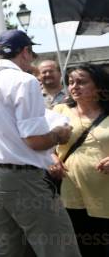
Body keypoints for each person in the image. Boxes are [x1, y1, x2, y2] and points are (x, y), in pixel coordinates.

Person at [0, 30, 80, 257]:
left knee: (5, 249)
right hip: (21, 179)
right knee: (60, 248)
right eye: (32, 52)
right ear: (25, 52)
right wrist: (60, 133)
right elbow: (35, 141)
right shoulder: (23, 80)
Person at [49, 64, 109, 256]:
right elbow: (45, 144)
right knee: (83, 245)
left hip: (105, 194)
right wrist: (52, 158)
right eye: (71, 82)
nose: (74, 86)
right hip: (71, 193)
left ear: (99, 85)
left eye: (81, 82)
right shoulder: (60, 110)